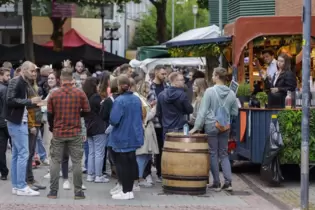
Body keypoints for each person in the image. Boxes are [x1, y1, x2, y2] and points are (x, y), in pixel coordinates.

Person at [190, 67, 239, 192]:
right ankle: (228, 183)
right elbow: (235, 112)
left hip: (211, 125)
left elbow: (202, 112)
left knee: (212, 153)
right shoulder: (231, 93)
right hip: (225, 126)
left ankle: (216, 183)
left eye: (212, 74)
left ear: (217, 76)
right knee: (223, 153)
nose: (211, 77)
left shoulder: (210, 92)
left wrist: (196, 127)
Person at [47, 67, 90, 199]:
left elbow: (49, 114)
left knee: (55, 161)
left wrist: (52, 126)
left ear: (60, 79)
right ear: (72, 79)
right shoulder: (80, 93)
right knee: (77, 162)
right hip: (75, 131)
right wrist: (78, 114)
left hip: (58, 132)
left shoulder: (54, 94)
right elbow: (87, 111)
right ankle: (78, 192)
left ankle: (53, 192)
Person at [6, 61, 41, 196]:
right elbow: (10, 100)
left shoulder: (23, 82)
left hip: (18, 121)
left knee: (17, 154)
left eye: (35, 71)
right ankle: (21, 186)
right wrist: (30, 101)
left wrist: (34, 103)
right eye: (32, 71)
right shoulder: (16, 81)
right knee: (23, 154)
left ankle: (17, 185)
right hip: (17, 122)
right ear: (24, 70)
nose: (34, 73)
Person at [109, 75, 143, 200]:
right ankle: (129, 190)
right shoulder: (136, 99)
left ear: (119, 85)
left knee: (122, 165)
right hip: (134, 135)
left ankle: (125, 191)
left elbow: (114, 119)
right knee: (131, 163)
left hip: (122, 135)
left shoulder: (119, 100)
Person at [82, 77, 109, 183]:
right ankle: (98, 175)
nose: (99, 86)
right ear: (94, 85)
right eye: (97, 84)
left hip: (89, 127)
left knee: (91, 152)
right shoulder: (96, 98)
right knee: (99, 152)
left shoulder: (85, 97)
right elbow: (103, 112)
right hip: (98, 127)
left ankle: (90, 174)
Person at [146, 65, 168, 183]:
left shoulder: (167, 87)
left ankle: (160, 172)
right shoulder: (149, 87)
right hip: (153, 122)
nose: (164, 76)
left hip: (164, 122)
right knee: (150, 149)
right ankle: (147, 173)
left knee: (161, 148)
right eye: (162, 74)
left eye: (165, 74)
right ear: (156, 73)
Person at [157, 72, 193, 138]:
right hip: (180, 128)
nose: (184, 81)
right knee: (180, 148)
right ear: (175, 82)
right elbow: (190, 110)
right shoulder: (182, 95)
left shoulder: (161, 94)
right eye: (182, 80)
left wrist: (164, 124)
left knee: (168, 148)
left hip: (166, 129)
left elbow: (159, 113)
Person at [0, 67, 10, 180]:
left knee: (1, 149)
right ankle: (4, 172)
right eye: (7, 75)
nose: (9, 77)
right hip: (5, 122)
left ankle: (3, 172)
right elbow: (6, 106)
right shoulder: (4, 89)